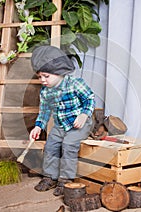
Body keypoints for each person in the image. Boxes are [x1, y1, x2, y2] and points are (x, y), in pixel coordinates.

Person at [29, 45, 95, 196]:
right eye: (39, 77)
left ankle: (66, 179)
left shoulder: (75, 84)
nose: (43, 80)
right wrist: (38, 126)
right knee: (51, 146)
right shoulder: (45, 92)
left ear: (58, 72)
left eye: (46, 76)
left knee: (68, 145)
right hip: (60, 125)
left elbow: (90, 99)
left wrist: (84, 115)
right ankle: (50, 176)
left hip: (78, 124)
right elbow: (44, 111)